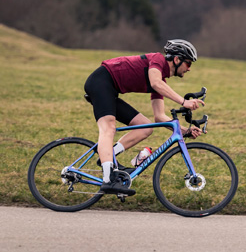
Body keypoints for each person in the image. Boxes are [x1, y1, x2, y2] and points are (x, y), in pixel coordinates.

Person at [83, 39, 205, 195]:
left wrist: (184, 131)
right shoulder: (157, 60)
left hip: (110, 89)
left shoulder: (161, 79)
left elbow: (159, 117)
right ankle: (108, 180)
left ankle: (108, 156)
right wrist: (183, 102)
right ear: (176, 59)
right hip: (101, 82)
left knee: (146, 127)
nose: (189, 69)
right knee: (109, 128)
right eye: (188, 64)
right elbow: (155, 83)